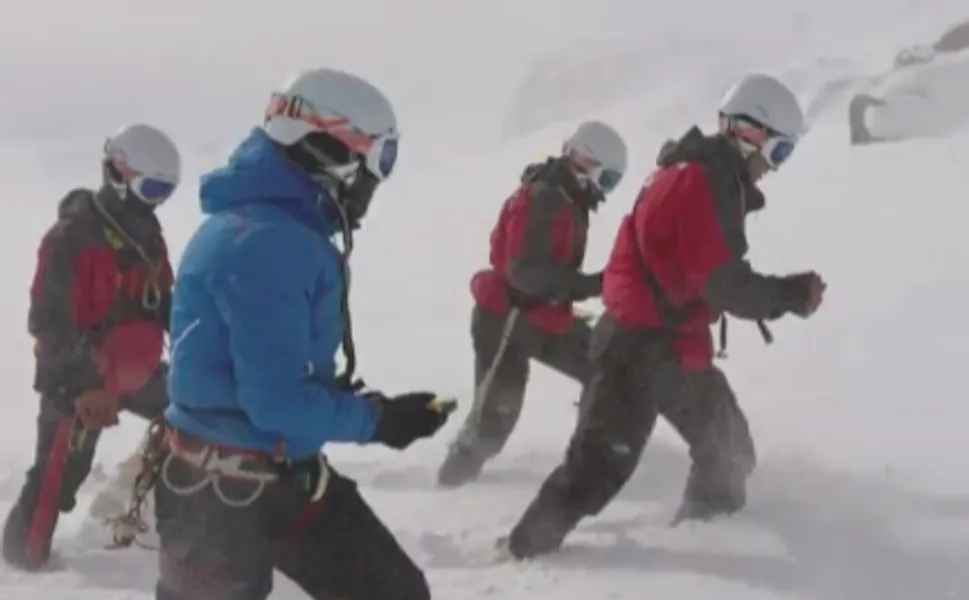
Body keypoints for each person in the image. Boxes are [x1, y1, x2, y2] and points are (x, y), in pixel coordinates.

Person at [151, 67, 453, 600]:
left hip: (265, 476)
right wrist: (379, 420)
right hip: (223, 496)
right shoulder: (267, 243)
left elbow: (267, 375)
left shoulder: (262, 228)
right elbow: (275, 403)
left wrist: (350, 404)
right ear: (330, 150)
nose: (378, 179)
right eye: (379, 158)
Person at [503, 73, 827, 560]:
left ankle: (706, 529)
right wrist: (792, 295)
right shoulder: (698, 181)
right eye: (778, 153)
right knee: (598, 468)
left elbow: (709, 275)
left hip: (670, 346)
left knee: (729, 446)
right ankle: (524, 551)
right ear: (750, 134)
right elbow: (723, 284)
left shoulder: (707, 177)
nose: (774, 168)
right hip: (635, 348)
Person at [1, 124, 179, 571]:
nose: (157, 201)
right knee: (58, 478)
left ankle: (172, 526)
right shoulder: (70, 240)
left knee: (198, 415)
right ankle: (24, 563)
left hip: (135, 375)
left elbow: (170, 305)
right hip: (81, 382)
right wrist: (84, 386)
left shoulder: (147, 241)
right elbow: (50, 322)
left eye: (165, 190)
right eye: (152, 187)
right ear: (119, 174)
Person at [436, 121, 628, 488]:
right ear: (585, 162)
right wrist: (591, 285)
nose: (606, 191)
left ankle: (590, 457)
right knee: (495, 416)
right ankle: (451, 485)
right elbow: (524, 272)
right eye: (607, 180)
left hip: (541, 316)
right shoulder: (543, 198)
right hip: (506, 319)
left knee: (602, 365)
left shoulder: (567, 198)